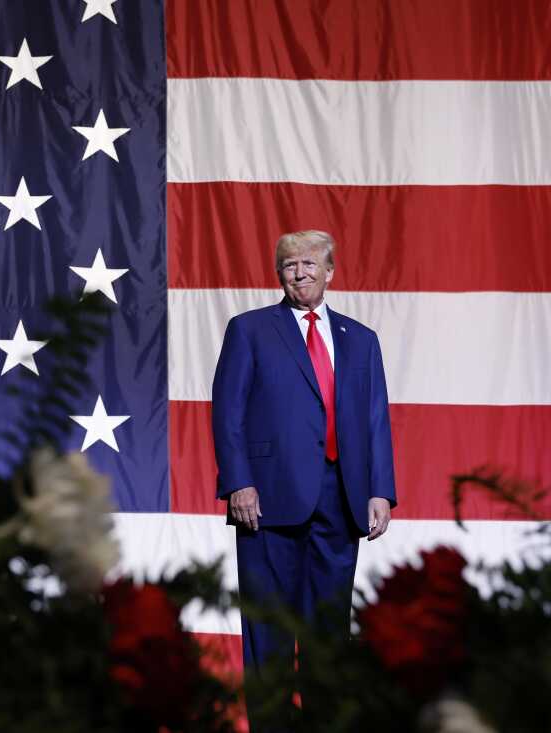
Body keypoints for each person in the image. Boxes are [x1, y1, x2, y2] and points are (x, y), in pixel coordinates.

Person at [211, 229, 397, 675]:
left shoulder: (361, 339)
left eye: (309, 263)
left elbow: (375, 419)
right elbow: (227, 413)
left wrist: (380, 491)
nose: (300, 273)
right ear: (279, 275)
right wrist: (239, 482)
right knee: (269, 633)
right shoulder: (249, 329)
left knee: (329, 638)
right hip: (267, 501)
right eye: (290, 265)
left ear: (330, 271)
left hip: (342, 500)